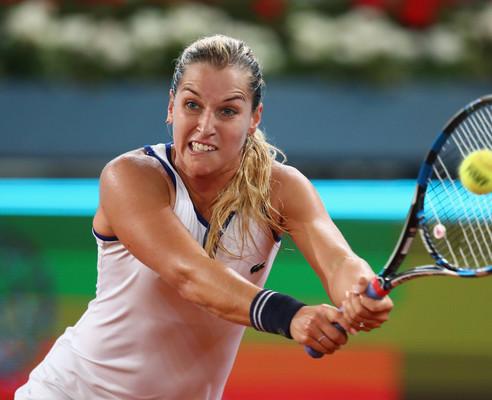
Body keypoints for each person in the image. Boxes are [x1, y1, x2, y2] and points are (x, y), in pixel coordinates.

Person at [15, 34, 393, 400]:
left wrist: (359, 291)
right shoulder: (130, 177)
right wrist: (289, 315)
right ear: (171, 107)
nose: (205, 126)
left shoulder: (282, 189)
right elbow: (190, 274)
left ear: (254, 117)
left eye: (228, 110)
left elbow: (339, 260)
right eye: (192, 105)